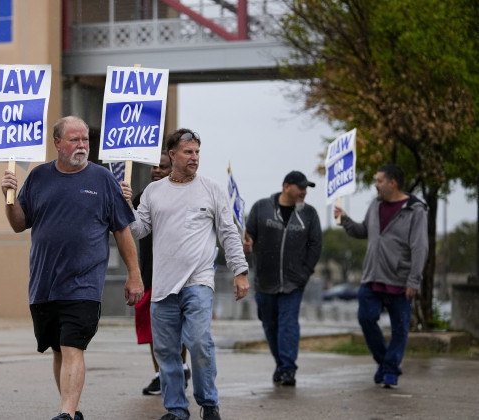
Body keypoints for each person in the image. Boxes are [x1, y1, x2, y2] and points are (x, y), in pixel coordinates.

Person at [1, 116, 144, 420]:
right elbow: (17, 224)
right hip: (44, 283)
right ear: (57, 143)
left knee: (72, 346)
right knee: (57, 348)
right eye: (75, 140)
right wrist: (8, 198)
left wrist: (135, 275)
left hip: (84, 284)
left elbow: (122, 230)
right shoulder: (38, 177)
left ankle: (65, 414)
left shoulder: (103, 179)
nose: (82, 146)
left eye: (86, 140)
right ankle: (73, 411)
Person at [121, 128, 250, 420]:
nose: (194, 158)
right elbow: (139, 229)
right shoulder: (154, 192)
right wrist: (126, 205)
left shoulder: (211, 188)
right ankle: (177, 410)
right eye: (188, 152)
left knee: (198, 342)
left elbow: (228, 232)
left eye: (197, 152)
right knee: (166, 353)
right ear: (172, 154)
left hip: (198, 281)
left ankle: (208, 403)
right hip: (163, 285)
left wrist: (240, 271)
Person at [334, 164, 428, 389]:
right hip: (372, 276)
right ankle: (387, 363)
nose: (375, 185)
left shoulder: (416, 209)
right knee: (366, 318)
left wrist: (414, 280)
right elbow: (364, 231)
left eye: (379, 181)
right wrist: (345, 219)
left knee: (399, 328)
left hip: (400, 280)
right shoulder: (375, 205)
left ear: (392, 183)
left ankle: (389, 371)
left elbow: (420, 247)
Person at [243, 170, 322, 387]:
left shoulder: (310, 214)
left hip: (294, 283)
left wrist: (305, 272)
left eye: (306, 188)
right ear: (287, 186)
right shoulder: (262, 208)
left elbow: (315, 246)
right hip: (265, 281)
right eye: (301, 187)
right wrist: (246, 245)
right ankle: (281, 363)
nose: (304, 192)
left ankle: (288, 369)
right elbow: (248, 237)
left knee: (288, 324)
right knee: (270, 325)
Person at [132, 151, 191, 396]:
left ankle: (181, 366)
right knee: (152, 331)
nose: (157, 170)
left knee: (179, 329)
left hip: (178, 275)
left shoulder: (183, 198)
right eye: (154, 167)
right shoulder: (141, 198)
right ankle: (160, 374)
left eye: (163, 167)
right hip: (149, 274)